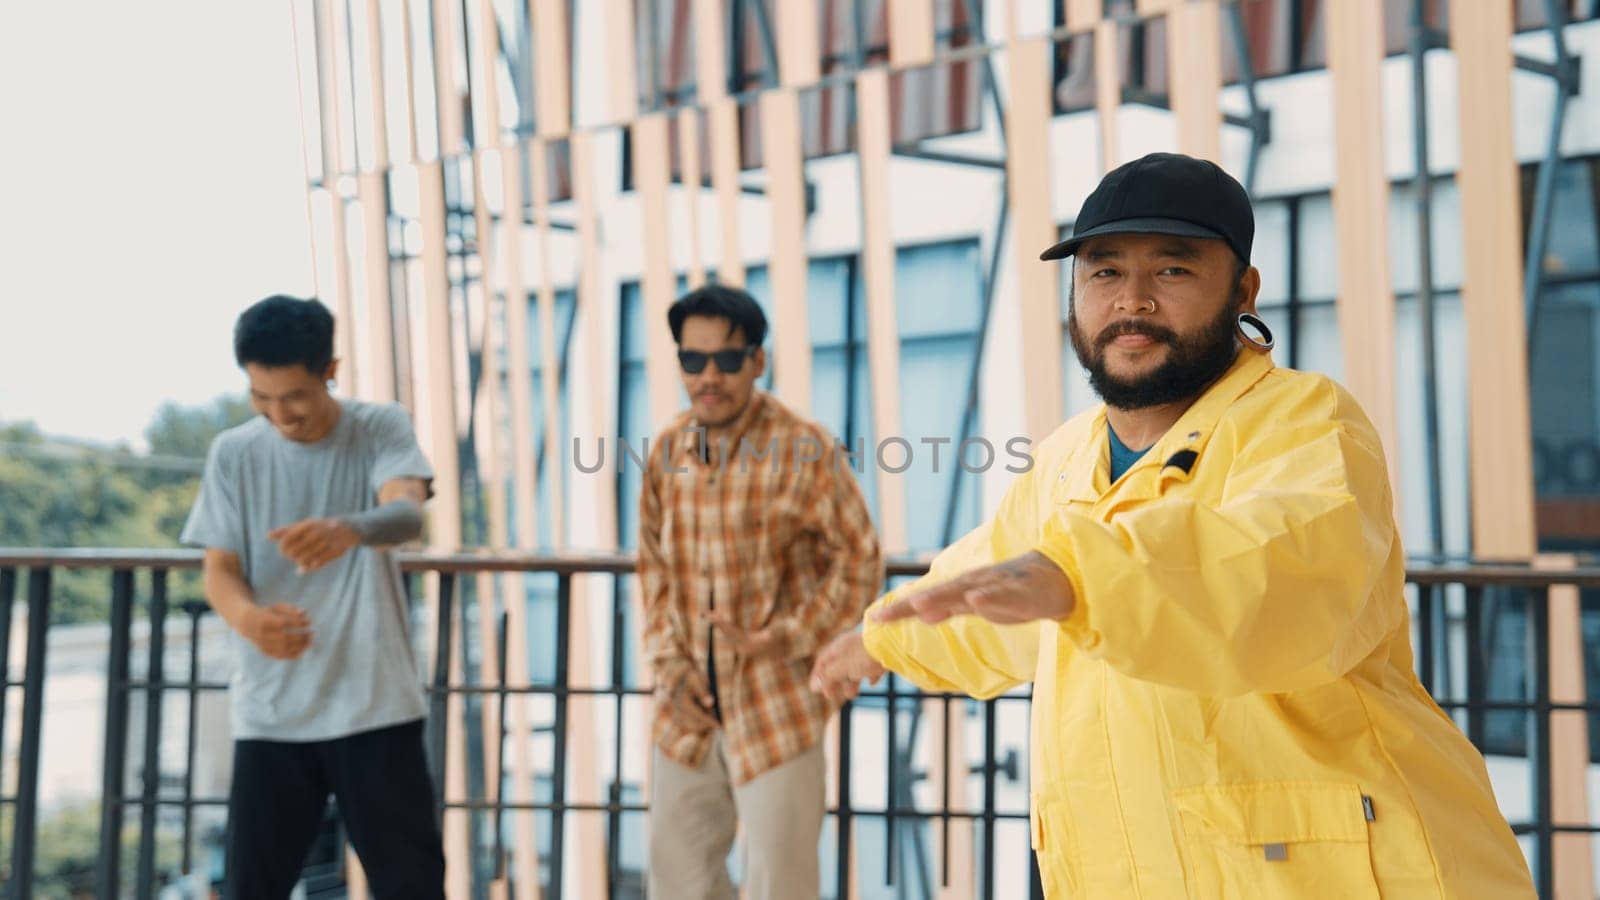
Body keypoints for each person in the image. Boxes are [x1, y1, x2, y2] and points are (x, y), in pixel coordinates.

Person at [809, 153, 1535, 898]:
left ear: (1243, 289)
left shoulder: (1307, 424)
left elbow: (1271, 570)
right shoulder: (1066, 459)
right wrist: (880, 638)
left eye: (1173, 271)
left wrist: (1077, 576)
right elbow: (987, 592)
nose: (1134, 301)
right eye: (1103, 272)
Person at [180, 295, 446, 899]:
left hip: (376, 706)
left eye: (295, 396)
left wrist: (350, 528)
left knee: (412, 887)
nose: (280, 414)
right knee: (253, 887)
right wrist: (251, 620)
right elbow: (219, 570)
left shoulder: (380, 425)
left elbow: (406, 513)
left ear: (331, 370)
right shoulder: (234, 453)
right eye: (261, 397)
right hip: (271, 712)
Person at [638, 284, 883, 900]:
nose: (708, 376)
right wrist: (670, 671)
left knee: (782, 888)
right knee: (677, 884)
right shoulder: (666, 452)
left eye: (726, 358)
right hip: (685, 713)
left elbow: (859, 561)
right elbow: (654, 575)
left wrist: (786, 638)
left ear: (757, 361)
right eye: (692, 361)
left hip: (777, 704)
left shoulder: (806, 450)